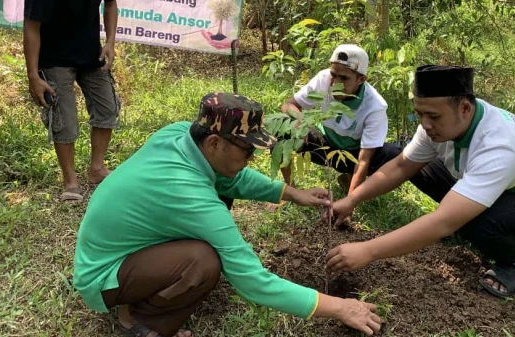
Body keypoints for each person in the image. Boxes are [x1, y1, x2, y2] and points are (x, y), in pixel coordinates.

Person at [73, 93, 382, 337]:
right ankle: (140, 321)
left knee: (216, 210)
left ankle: (142, 296)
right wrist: (340, 307)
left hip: (119, 250)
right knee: (204, 260)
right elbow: (253, 282)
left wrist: (290, 193)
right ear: (215, 142)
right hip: (103, 276)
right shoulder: (190, 195)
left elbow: (229, 178)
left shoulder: (180, 135)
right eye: (247, 151)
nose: (251, 158)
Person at [326, 65, 515, 298]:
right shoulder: (441, 121)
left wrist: (368, 250)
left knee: (475, 220)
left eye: (433, 117)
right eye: (419, 114)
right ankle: (470, 215)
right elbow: (402, 166)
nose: (425, 124)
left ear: (465, 108)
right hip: (504, 188)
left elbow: (444, 222)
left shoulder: (500, 145)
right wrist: (352, 199)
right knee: (400, 156)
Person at [273, 44, 401, 205]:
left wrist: (349, 204)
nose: (335, 84)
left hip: (353, 154)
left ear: (361, 79)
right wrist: (301, 122)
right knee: (284, 129)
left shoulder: (375, 106)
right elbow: (289, 105)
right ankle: (291, 191)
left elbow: (363, 161)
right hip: (324, 145)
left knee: (393, 154)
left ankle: (352, 184)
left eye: (344, 78)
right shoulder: (323, 79)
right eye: (334, 75)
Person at [23, 0, 120, 202]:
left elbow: (110, 4)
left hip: (91, 56)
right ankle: (70, 181)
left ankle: (97, 169)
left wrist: (110, 41)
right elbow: (31, 26)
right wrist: (33, 75)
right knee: (64, 121)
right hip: (54, 59)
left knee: (107, 108)